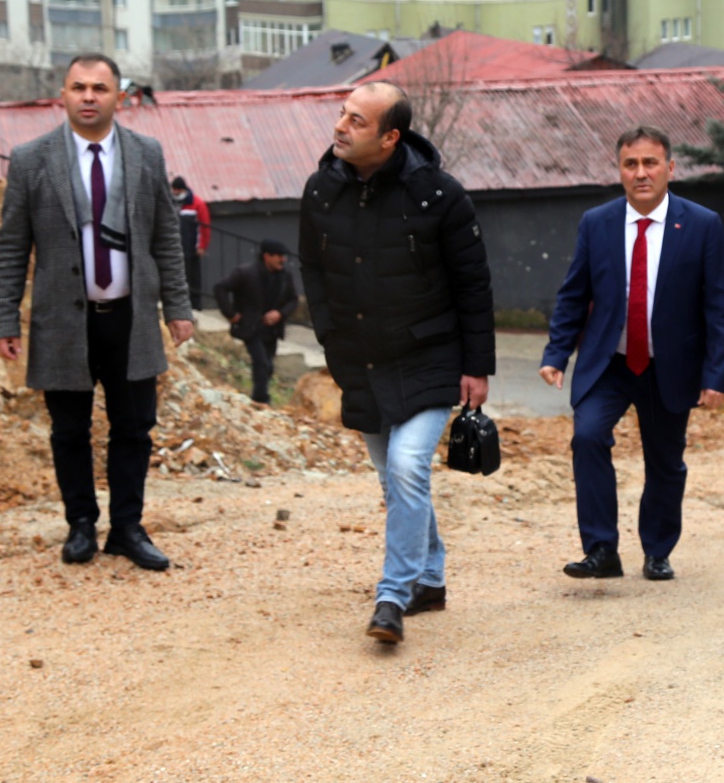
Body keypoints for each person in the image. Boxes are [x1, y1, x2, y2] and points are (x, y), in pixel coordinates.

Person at [298, 81, 494, 645]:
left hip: (430, 354)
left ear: (389, 137)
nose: (340, 126)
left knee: (408, 469)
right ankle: (430, 578)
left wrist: (477, 366)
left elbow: (472, 284)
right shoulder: (320, 191)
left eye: (357, 120)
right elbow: (312, 268)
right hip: (360, 358)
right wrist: (330, 335)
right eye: (341, 113)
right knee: (395, 479)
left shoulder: (440, 196)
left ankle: (392, 595)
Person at [0, 54, 194, 572]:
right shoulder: (32, 159)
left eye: (99, 88)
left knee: (134, 426)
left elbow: (167, 237)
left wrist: (179, 306)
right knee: (68, 429)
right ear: (62, 94)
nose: (88, 97)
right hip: (62, 320)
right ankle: (80, 524)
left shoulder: (146, 154)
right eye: (78, 87)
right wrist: (4, 319)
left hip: (130, 317)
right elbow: (12, 245)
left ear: (118, 97)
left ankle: (127, 527)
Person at [539, 126, 724, 583]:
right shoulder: (597, 223)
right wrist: (556, 353)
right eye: (631, 164)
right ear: (620, 170)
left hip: (670, 366)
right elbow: (573, 294)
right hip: (609, 362)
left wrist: (716, 376)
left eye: (650, 163)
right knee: (587, 437)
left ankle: (657, 550)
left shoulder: (702, 225)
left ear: (670, 168)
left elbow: (719, 306)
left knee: (665, 461)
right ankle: (601, 549)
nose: (641, 173)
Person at [213, 239, 299, 405]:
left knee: (268, 366)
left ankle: (259, 397)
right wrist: (231, 314)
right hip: (251, 327)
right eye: (279, 256)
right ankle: (261, 400)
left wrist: (280, 314)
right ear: (267, 256)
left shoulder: (284, 276)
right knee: (261, 362)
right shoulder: (246, 273)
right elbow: (220, 288)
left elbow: (293, 300)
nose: (283, 260)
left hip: (272, 329)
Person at [171, 176, 212, 310]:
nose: (176, 194)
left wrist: (202, 246)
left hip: (191, 248)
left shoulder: (197, 203)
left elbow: (204, 227)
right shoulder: (172, 203)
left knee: (193, 278)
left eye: (177, 191)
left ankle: (195, 306)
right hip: (175, 248)